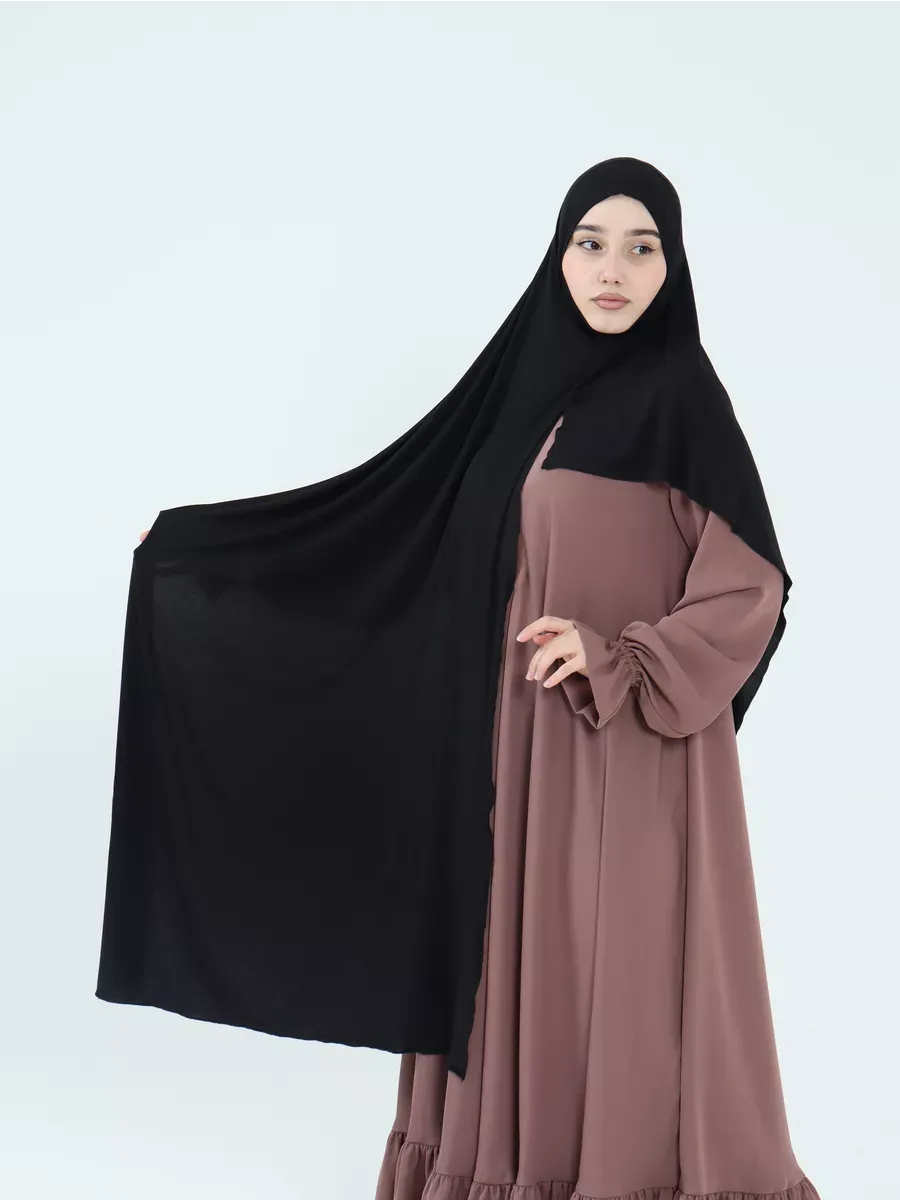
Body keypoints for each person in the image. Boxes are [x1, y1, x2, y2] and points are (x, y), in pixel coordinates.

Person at [98, 157, 819, 1200]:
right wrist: (203, 554)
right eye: (590, 243)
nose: (612, 270)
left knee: (613, 983)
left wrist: (622, 656)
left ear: (673, 265)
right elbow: (389, 528)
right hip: (504, 759)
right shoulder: (519, 400)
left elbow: (749, 588)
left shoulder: (684, 401)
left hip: (623, 761)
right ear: (558, 255)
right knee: (507, 966)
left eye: (642, 247)